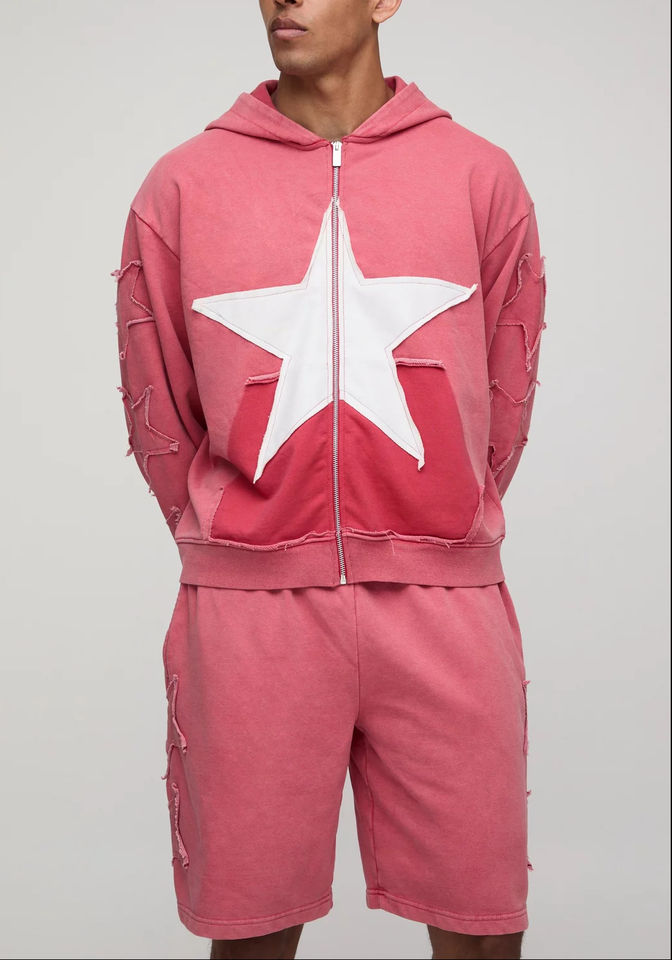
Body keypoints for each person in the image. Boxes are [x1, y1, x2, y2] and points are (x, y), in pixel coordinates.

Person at [111, 0, 547, 957]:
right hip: (253, 617)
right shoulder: (183, 186)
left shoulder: (479, 177)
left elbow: (502, 400)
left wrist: (434, 520)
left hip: (443, 603)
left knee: (482, 931)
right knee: (250, 934)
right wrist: (237, 538)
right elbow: (159, 408)